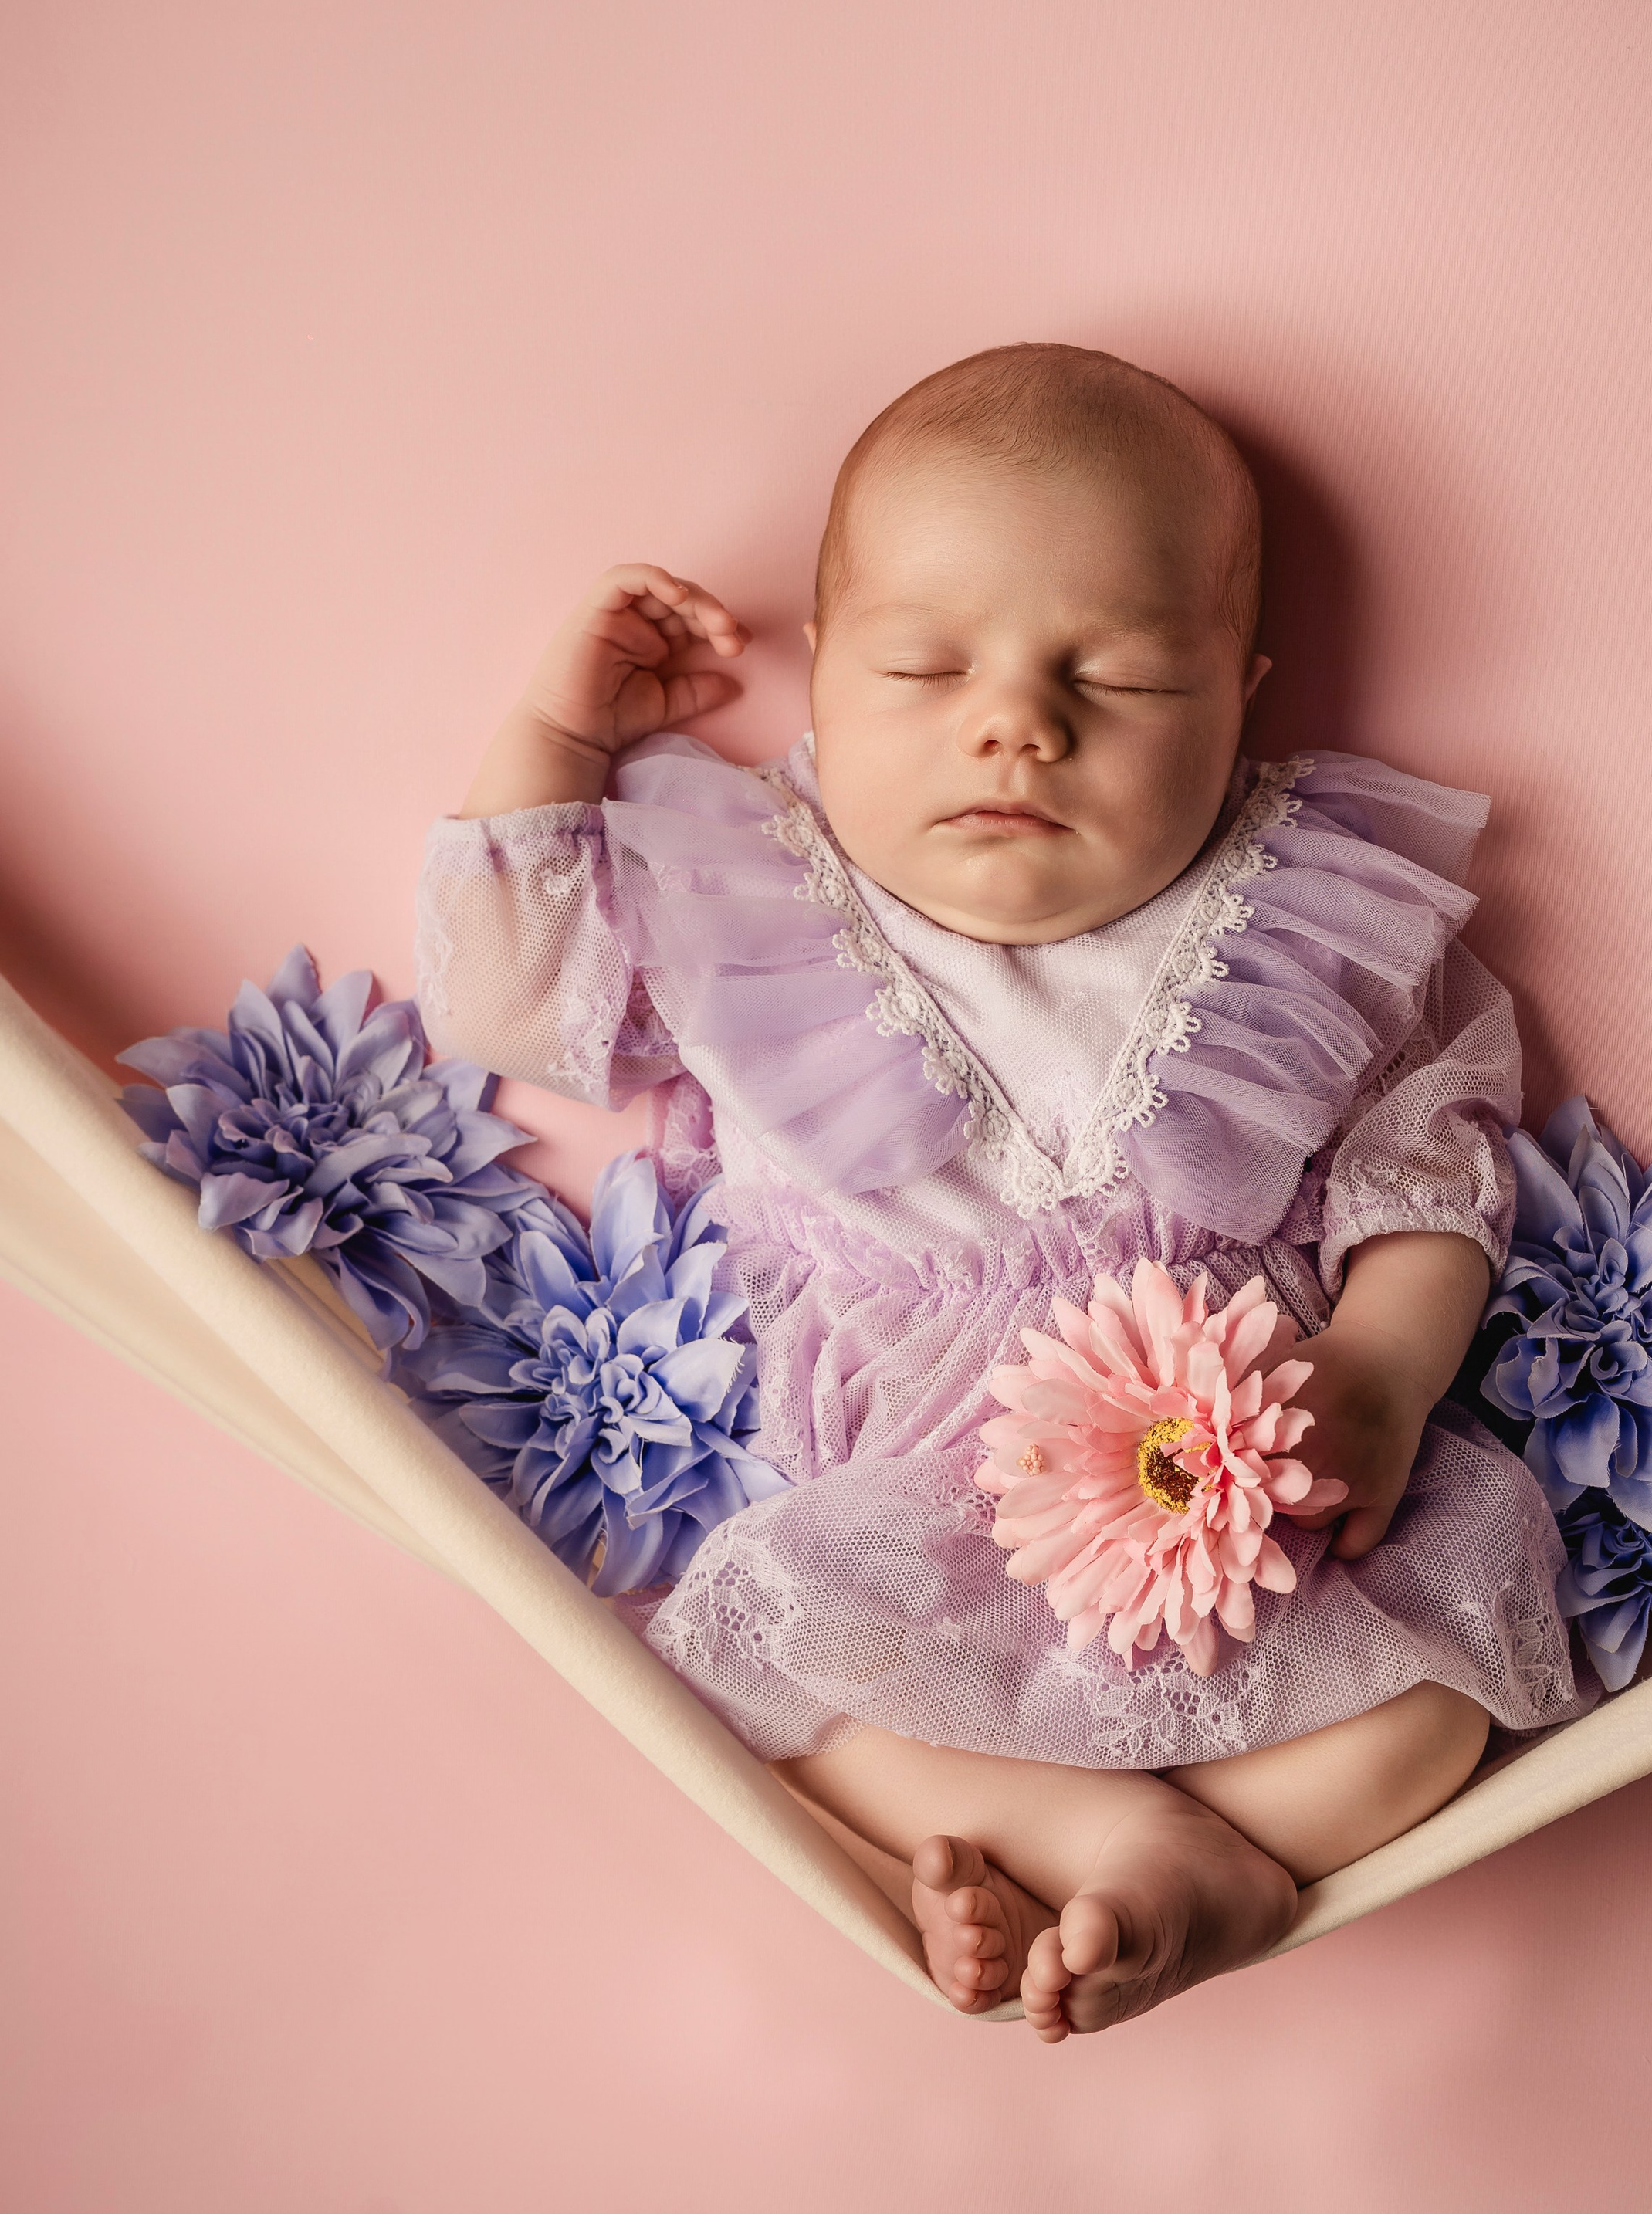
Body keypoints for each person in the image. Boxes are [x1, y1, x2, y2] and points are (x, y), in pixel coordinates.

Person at [418, 342, 1583, 2041]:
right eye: (923, 664)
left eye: (1113, 682)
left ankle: (1203, 1864)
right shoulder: (751, 891)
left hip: (1252, 1510)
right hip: (907, 1510)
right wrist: (555, 729)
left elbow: (1433, 1148)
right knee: (744, 1681)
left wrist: (1387, 1370)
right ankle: (1119, 1849)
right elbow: (506, 1000)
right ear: (821, 687)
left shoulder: (1300, 912)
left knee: (1425, 1720)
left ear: (1241, 694)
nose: (1015, 723)